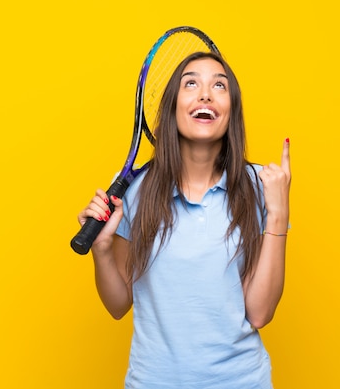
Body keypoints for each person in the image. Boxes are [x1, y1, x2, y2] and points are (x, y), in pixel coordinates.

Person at [77, 51, 291, 389]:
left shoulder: (259, 185)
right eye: (191, 83)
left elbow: (260, 313)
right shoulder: (136, 187)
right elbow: (118, 305)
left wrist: (278, 215)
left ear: (231, 111)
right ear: (173, 106)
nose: (205, 93)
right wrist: (101, 249)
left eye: (219, 86)